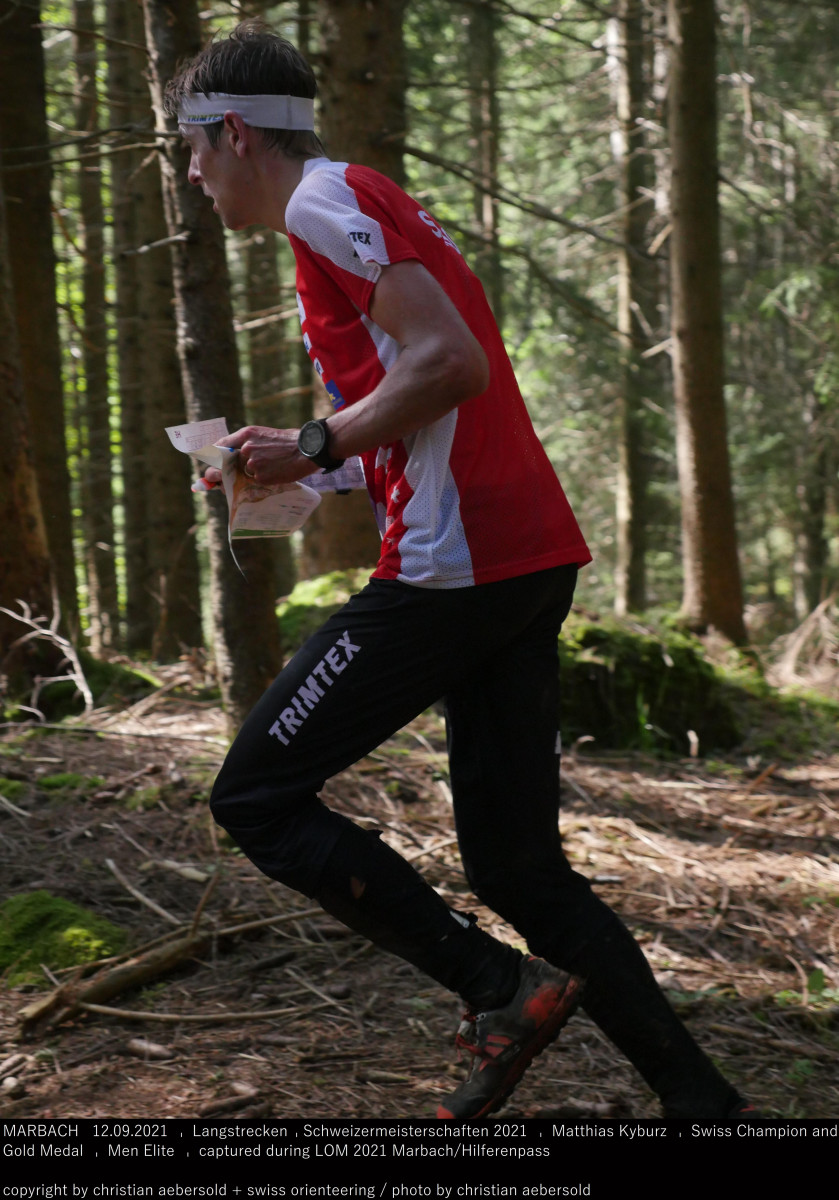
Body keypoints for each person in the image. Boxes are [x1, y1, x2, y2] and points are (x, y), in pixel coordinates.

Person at [166, 20, 759, 1120]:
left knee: (253, 796)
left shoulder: (321, 202)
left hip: (458, 566)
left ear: (234, 132)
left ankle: (497, 989)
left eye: (191, 148)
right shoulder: (355, 203)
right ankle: (704, 1107)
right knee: (518, 869)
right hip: (520, 554)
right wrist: (296, 460)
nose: (191, 175)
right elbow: (412, 400)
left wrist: (315, 441)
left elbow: (451, 364)